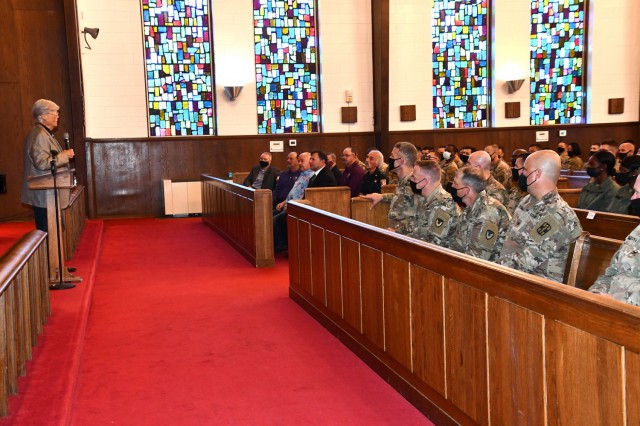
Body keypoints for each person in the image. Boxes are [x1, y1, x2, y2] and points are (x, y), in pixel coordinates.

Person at [498, 150, 582, 283]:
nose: (521, 173)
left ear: (537, 174)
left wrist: (492, 271)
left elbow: (525, 262)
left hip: (537, 288)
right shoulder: (527, 201)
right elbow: (508, 241)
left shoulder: (558, 215)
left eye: (525, 170)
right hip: (513, 277)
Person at [21, 99, 75, 232]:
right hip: (44, 196)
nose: (58, 116)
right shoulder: (39, 135)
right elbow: (42, 163)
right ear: (43, 115)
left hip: (48, 196)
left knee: (54, 232)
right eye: (54, 113)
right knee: (48, 232)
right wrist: (64, 156)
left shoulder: (45, 134)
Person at [588, 172, 640, 305]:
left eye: (638, 193)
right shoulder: (637, 231)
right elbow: (611, 272)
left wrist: (616, 302)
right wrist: (596, 294)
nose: (633, 198)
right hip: (611, 307)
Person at [449, 166, 511, 261]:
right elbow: (458, 243)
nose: (452, 186)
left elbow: (478, 257)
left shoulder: (488, 213)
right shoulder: (470, 208)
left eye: (456, 183)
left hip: (490, 270)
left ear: (466, 190)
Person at [363, 142, 420, 235]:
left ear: (401, 161)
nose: (390, 159)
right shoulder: (403, 181)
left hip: (409, 239)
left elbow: (422, 218)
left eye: (392, 156)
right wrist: (382, 197)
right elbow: (402, 197)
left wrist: (399, 232)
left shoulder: (416, 184)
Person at [408, 160, 459, 248]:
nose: (410, 179)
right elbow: (417, 230)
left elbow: (434, 244)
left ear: (425, 181)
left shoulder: (443, 204)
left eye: (414, 178)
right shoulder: (424, 198)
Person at [273, 152, 313, 252]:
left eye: (302, 161)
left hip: (297, 207)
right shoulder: (302, 174)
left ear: (310, 162)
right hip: (288, 204)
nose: (300, 163)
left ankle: (282, 246)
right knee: (268, 216)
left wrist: (290, 204)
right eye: (299, 161)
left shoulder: (311, 176)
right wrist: (284, 202)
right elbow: (293, 192)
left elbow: (304, 196)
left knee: (275, 219)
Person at [505, 150, 529, 215]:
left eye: (516, 166)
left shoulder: (528, 191)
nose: (514, 169)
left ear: (524, 169)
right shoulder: (517, 187)